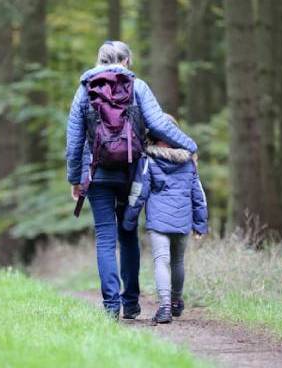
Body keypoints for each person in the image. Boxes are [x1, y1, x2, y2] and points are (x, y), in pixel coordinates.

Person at [66, 41, 197, 319]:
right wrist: (190, 146)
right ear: (126, 61)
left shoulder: (84, 90)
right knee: (128, 234)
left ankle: (111, 307)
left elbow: (74, 140)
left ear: (99, 60)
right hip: (131, 172)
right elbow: (160, 124)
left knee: (104, 237)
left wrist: (75, 178)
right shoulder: (138, 87)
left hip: (97, 173)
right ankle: (132, 303)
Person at [122, 115, 208, 323]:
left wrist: (129, 220)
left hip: (159, 221)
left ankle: (165, 306)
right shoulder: (189, 162)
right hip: (182, 219)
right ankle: (176, 301)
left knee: (162, 261)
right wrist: (200, 223)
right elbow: (199, 195)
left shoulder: (148, 160)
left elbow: (138, 191)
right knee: (178, 262)